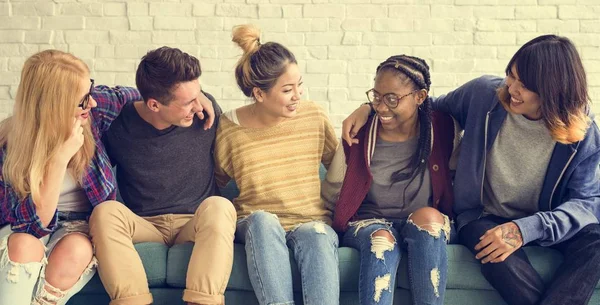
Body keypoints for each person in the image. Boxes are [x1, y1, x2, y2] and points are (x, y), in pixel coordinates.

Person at [341, 34, 600, 305]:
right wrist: (370, 107)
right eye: (511, 76)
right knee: (493, 251)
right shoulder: (483, 96)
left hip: (542, 222)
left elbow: (586, 203)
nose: (511, 88)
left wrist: (526, 229)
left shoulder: (583, 133)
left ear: (552, 90)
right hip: (484, 218)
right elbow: (423, 105)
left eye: (524, 85)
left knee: (595, 241)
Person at [88, 46, 235, 305]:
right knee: (105, 212)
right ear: (154, 104)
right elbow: (76, 102)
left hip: (194, 222)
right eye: (188, 101)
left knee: (220, 206)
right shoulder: (118, 123)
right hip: (145, 225)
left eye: (197, 93)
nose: (196, 105)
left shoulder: (205, 113)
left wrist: (198, 96)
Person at [0, 49, 141, 305]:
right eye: (83, 99)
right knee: (24, 245)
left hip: (77, 225)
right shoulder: (9, 144)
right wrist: (59, 160)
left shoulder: (92, 114)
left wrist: (199, 96)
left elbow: (139, 93)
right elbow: (33, 225)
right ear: (54, 106)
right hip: (25, 228)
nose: (93, 102)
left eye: (91, 91)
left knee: (76, 250)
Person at [213, 24, 340, 305]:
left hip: (310, 220)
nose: (298, 96)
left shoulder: (314, 116)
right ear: (259, 94)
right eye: (287, 90)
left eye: (299, 85)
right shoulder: (229, 127)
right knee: (263, 220)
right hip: (255, 222)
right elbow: (214, 181)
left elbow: (340, 169)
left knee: (316, 234)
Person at [321, 54, 456, 305]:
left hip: (420, 219)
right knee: (381, 239)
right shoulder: (358, 133)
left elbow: (458, 178)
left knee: (429, 220)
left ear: (420, 97)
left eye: (392, 98)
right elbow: (332, 192)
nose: (382, 107)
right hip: (368, 222)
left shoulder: (442, 129)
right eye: (376, 97)